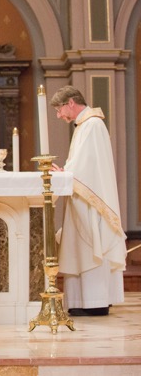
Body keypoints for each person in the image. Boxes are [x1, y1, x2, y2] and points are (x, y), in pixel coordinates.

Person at [50, 85, 127, 316]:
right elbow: (83, 163)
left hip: (90, 200)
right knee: (80, 245)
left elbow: (89, 166)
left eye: (59, 109)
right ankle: (81, 301)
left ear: (71, 103)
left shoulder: (93, 125)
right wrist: (67, 171)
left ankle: (95, 302)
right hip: (81, 195)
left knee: (90, 243)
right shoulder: (85, 125)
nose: (59, 115)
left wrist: (66, 173)